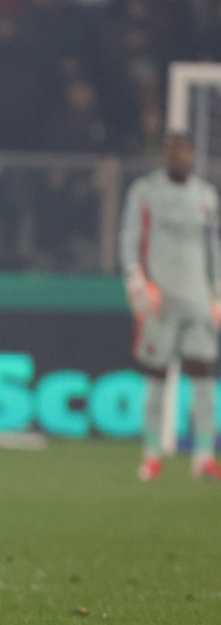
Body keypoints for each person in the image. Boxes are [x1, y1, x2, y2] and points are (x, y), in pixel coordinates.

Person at [119, 131, 221, 482]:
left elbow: (214, 247)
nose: (181, 156)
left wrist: (218, 292)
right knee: (157, 380)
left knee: (205, 379)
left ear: (193, 154)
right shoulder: (146, 192)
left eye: (186, 150)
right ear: (166, 154)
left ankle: (204, 455)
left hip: (198, 300)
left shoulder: (206, 195)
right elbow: (131, 236)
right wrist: (135, 279)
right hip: (160, 299)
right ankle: (150, 454)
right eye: (174, 150)